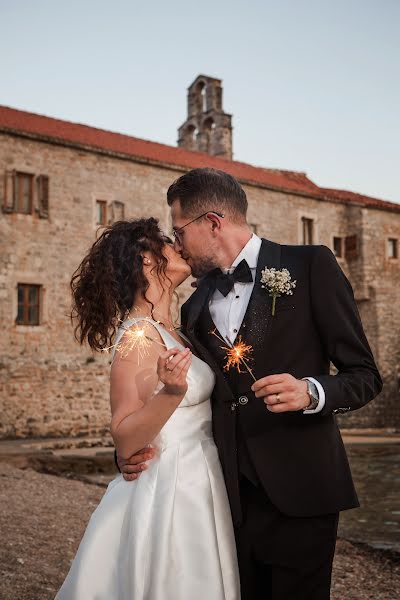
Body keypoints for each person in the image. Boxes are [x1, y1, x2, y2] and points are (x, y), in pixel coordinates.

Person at [116, 168, 383, 600]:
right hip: (224, 501)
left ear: (213, 223)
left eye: (179, 229)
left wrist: (312, 392)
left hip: (303, 490)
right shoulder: (195, 306)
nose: (176, 242)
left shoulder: (310, 265)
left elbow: (366, 377)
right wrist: (129, 452)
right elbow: (190, 395)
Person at [55, 218, 240, 599]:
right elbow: (124, 436)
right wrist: (171, 393)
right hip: (171, 487)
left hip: (199, 477)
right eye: (165, 242)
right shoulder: (138, 336)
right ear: (144, 260)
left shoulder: (171, 328)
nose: (177, 245)